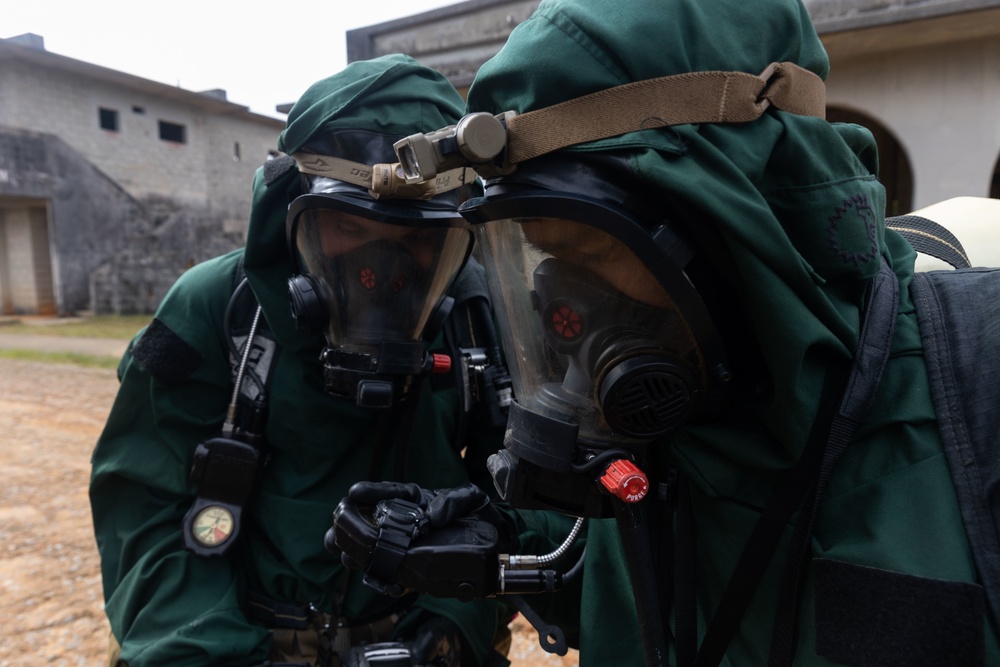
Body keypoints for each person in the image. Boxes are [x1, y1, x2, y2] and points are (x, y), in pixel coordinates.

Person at [330, 1, 1000, 665]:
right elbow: (646, 597)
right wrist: (497, 541)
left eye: (590, 253)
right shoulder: (667, 420)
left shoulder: (976, 393)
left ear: (733, 220)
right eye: (544, 259)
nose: (566, 306)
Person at [89, 54, 520, 667]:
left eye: (419, 239)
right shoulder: (215, 308)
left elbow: (519, 502)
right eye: (351, 227)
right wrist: (211, 652)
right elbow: (143, 506)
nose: (383, 273)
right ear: (291, 215)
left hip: (424, 641)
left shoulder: (478, 317)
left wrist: (455, 623)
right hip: (244, 639)